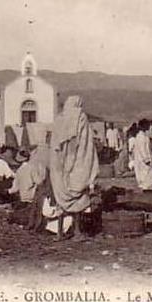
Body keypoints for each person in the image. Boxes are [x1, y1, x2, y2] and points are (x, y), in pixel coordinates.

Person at [48, 95, 100, 240]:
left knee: (61, 197)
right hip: (77, 162)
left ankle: (59, 232)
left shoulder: (59, 119)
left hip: (59, 165)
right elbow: (85, 144)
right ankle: (77, 231)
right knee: (78, 197)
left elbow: (54, 145)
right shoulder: (81, 118)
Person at [131, 119, 152, 189]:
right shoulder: (141, 137)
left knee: (145, 178)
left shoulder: (143, 136)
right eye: (147, 125)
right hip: (143, 161)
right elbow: (142, 150)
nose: (148, 127)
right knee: (145, 179)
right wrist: (146, 160)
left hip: (142, 160)